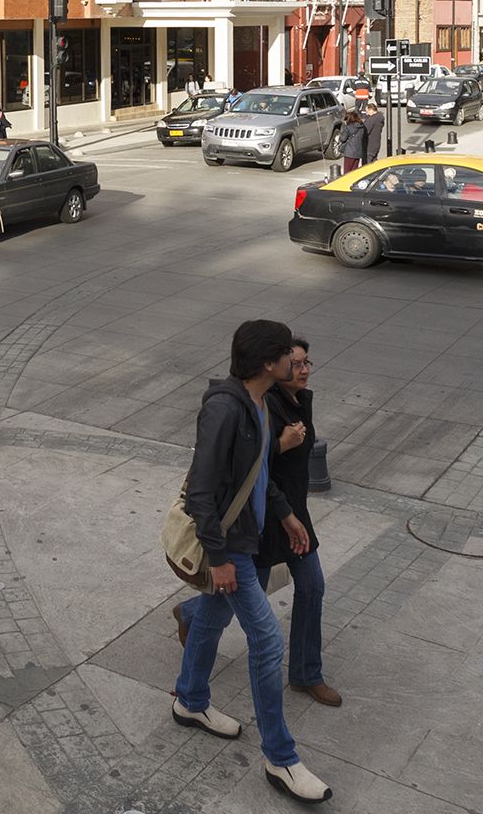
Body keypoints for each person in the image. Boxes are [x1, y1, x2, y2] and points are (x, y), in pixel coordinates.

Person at [169, 319, 329, 804]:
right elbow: (201, 489)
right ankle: (280, 758)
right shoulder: (225, 409)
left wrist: (284, 515)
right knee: (265, 639)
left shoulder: (259, 403)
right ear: (267, 363)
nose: (295, 361)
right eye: (288, 355)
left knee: (212, 620)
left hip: (252, 537)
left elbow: (257, 474)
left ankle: (190, 701)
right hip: (230, 547)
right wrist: (218, 556)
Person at [254, 337, 336, 708]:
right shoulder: (264, 406)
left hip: (294, 514)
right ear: (276, 367)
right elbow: (247, 465)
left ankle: (306, 673)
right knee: (237, 597)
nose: (303, 370)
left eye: (307, 363)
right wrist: (280, 445)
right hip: (264, 516)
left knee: (312, 586)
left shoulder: (299, 401)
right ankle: (192, 614)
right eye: (296, 364)